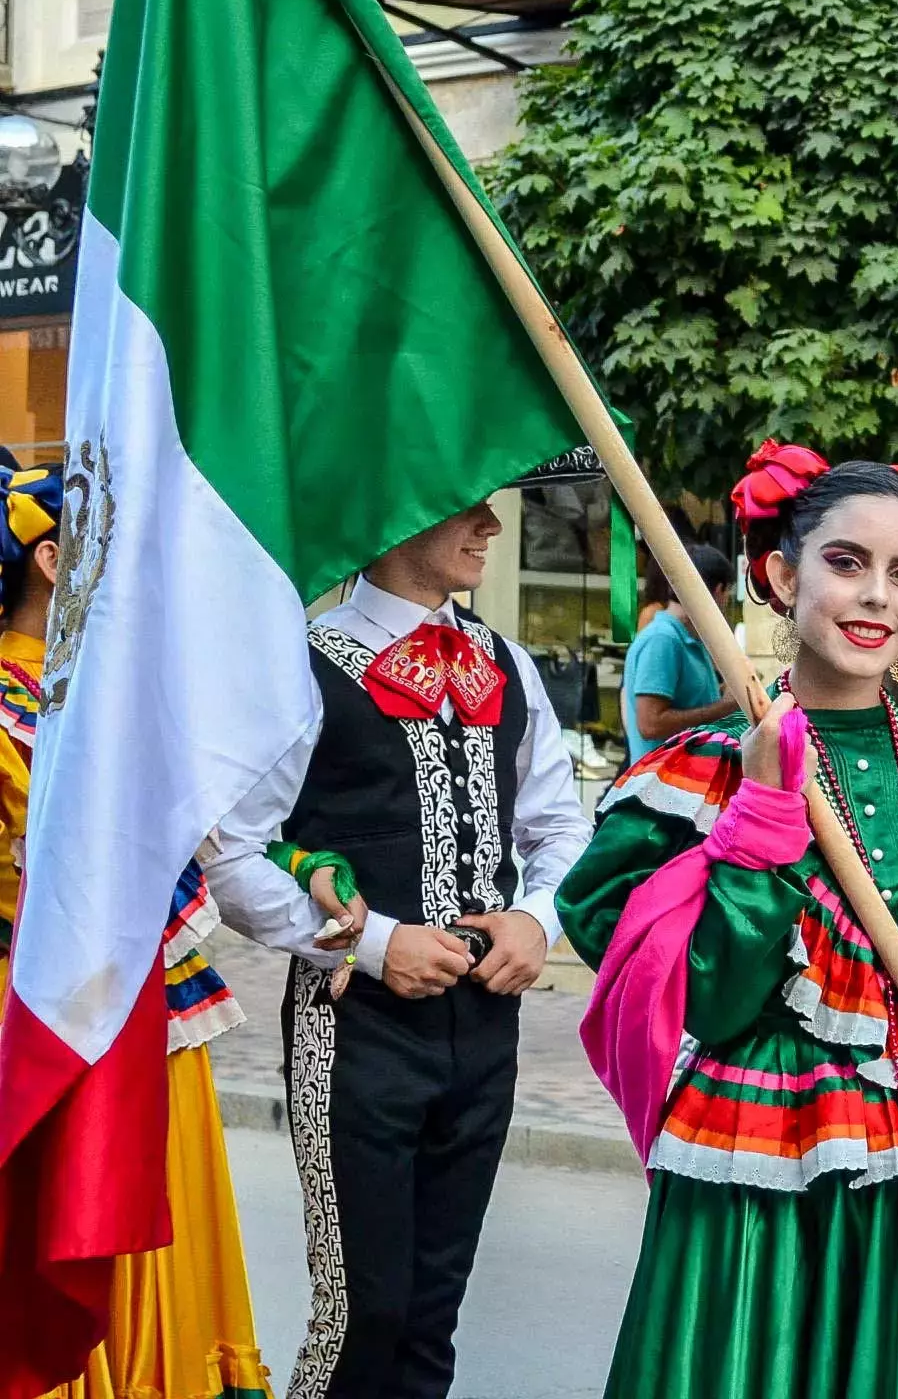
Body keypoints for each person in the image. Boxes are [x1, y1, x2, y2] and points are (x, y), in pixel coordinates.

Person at [559, 440, 898, 1399]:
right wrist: (761, 823)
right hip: (754, 1191)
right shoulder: (691, 784)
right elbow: (713, 1004)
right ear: (780, 575)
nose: (876, 599)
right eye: (845, 564)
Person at [203, 491, 594, 1399]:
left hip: (486, 1028)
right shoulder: (300, 663)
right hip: (356, 1030)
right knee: (362, 1313)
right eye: (465, 506)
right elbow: (227, 848)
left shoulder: (508, 663)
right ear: (395, 509)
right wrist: (371, 944)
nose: (492, 528)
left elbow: (559, 830)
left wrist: (539, 920)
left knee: (431, 1315)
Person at [0, 464, 275, 1399]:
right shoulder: (14, 700)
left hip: (144, 1001)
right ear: (50, 559)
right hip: (47, 1005)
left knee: (160, 1193)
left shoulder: (111, 693)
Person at [621, 542, 737, 764]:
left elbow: (689, 699)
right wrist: (724, 708)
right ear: (718, 591)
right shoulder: (663, 639)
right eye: (728, 593)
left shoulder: (690, 639)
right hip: (660, 787)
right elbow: (650, 724)